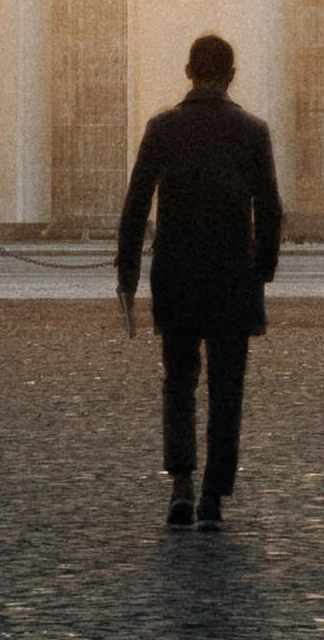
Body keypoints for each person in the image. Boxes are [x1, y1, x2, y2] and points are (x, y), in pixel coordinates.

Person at [115, 29, 282, 530]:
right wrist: (263, 269)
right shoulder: (252, 131)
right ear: (232, 75)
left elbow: (135, 206)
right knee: (227, 388)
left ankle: (181, 484)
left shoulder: (162, 128)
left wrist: (127, 274)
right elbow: (270, 208)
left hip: (178, 277)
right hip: (233, 279)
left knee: (180, 382)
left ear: (188, 72)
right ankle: (213, 496)